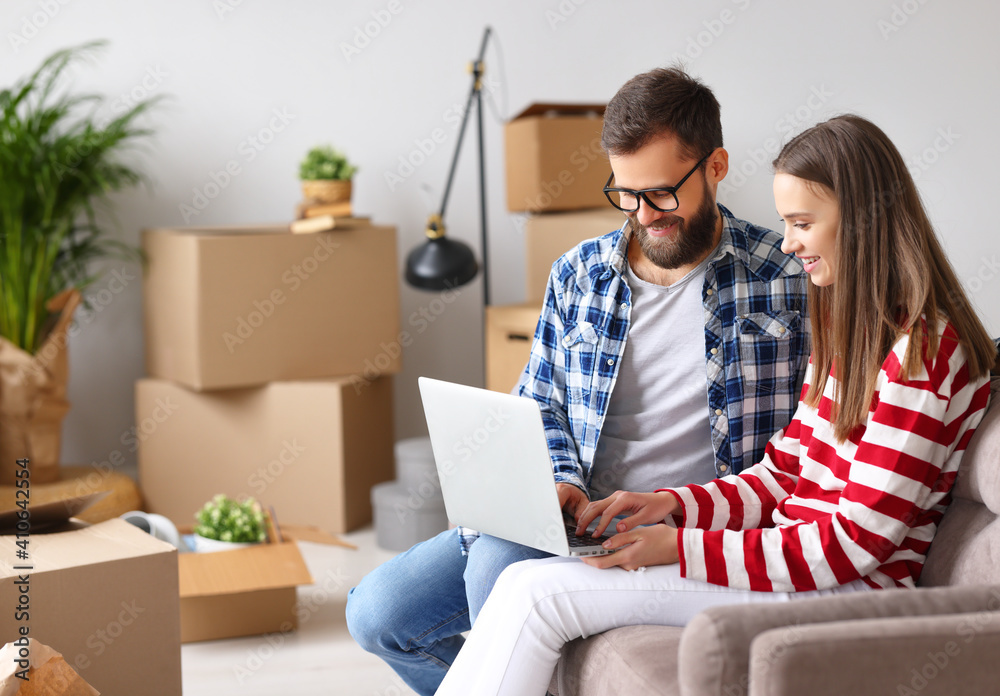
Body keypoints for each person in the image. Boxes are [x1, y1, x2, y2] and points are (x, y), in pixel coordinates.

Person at [433, 114, 997, 696]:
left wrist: (679, 546)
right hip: (794, 566)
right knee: (520, 584)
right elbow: (781, 476)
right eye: (786, 223)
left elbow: (853, 545)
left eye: (803, 223)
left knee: (536, 594)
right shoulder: (856, 337)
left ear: (864, 222)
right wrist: (669, 507)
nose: (788, 242)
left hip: (843, 589)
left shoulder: (924, 354)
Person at [346, 67, 810, 696]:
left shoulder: (787, 276)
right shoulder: (579, 274)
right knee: (375, 616)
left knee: (495, 578)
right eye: (626, 194)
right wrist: (560, 480)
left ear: (717, 165)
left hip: (687, 524)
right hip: (575, 512)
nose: (645, 215)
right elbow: (539, 401)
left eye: (662, 193)